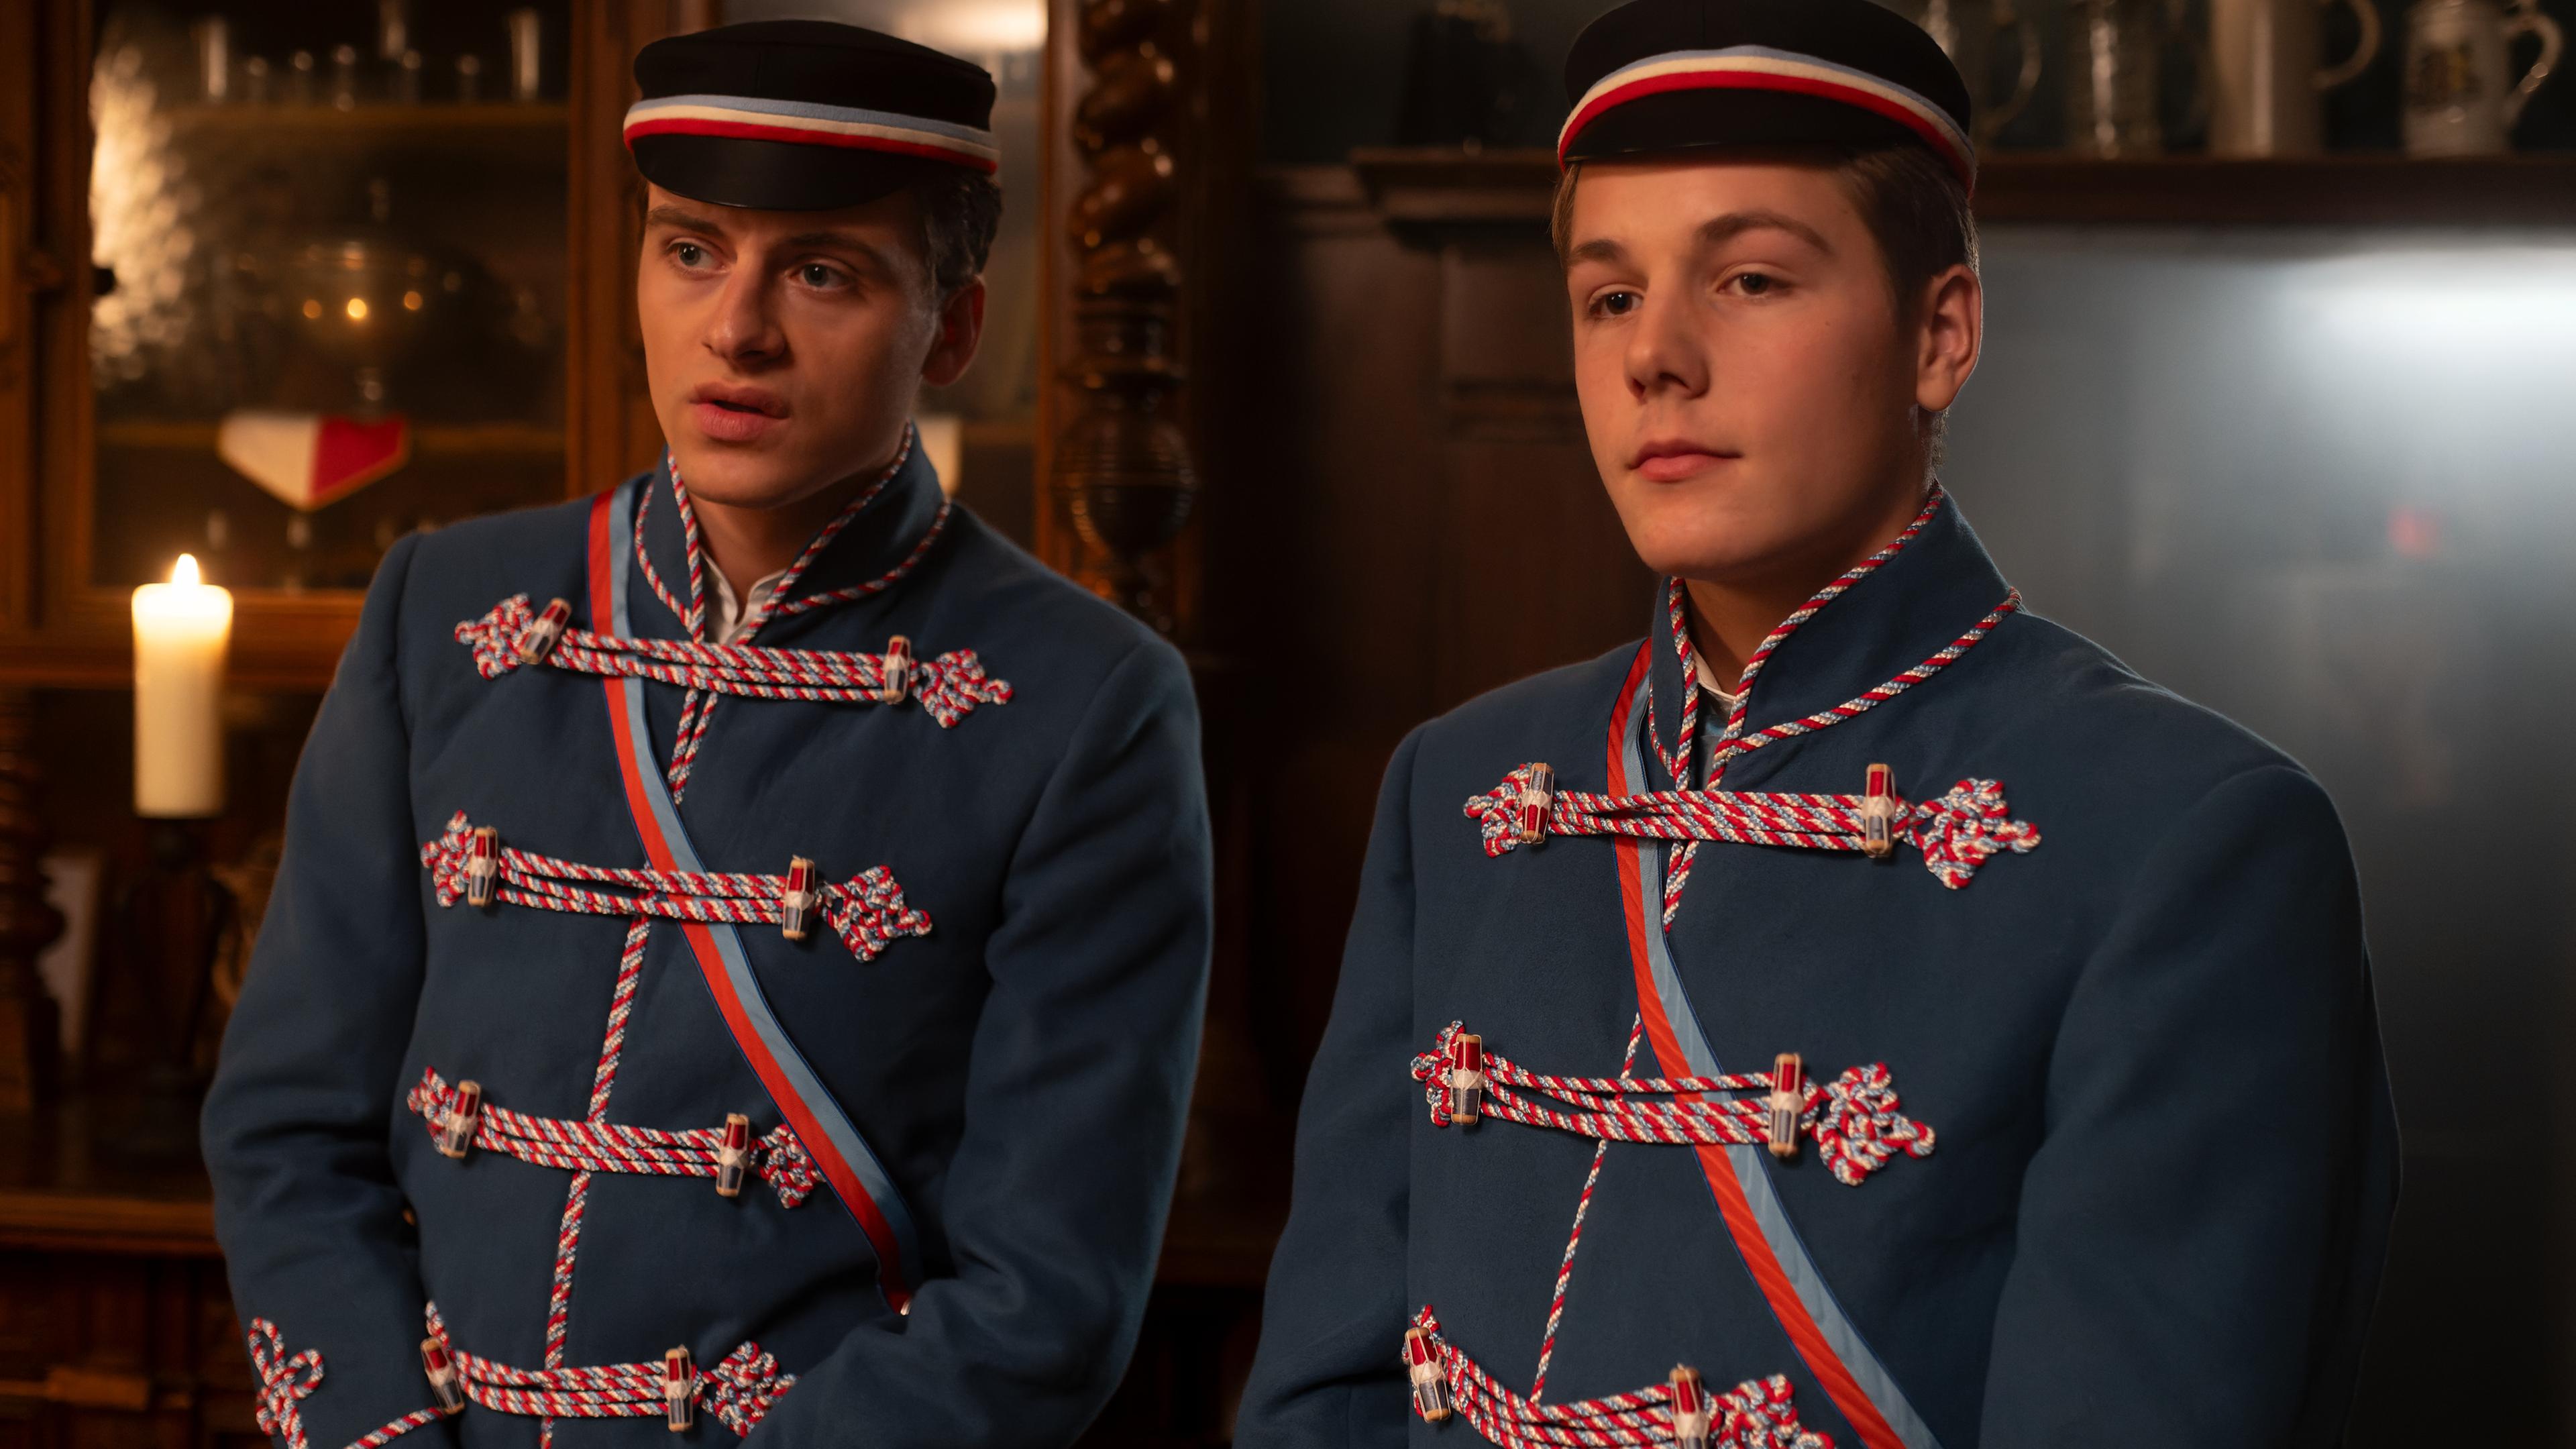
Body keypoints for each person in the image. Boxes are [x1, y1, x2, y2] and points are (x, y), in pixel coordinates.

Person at [1236, 1, 2398, 1445]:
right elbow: (1326, 1389)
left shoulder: (2192, 837)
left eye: (1751, 280)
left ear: (1940, 334)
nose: (1656, 357)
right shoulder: (1463, 785)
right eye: (1610, 297)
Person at [203, 21, 1213, 1449]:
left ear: (954, 328)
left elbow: (1041, 1305)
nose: (736, 329)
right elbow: (287, 1130)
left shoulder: (1089, 701)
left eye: (821, 272)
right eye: (691, 250)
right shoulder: (443, 606)